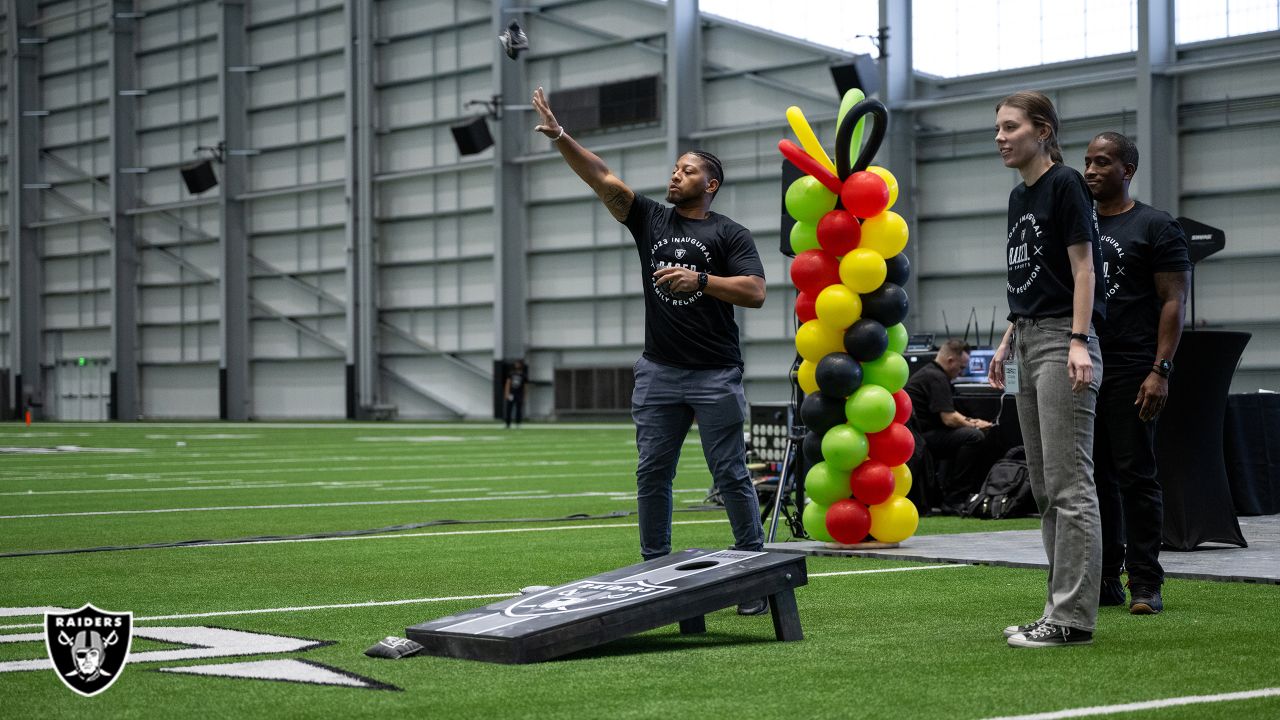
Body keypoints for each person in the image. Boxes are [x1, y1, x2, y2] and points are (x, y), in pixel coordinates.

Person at [531, 88, 770, 615]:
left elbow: (755, 292)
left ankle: (753, 573)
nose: (674, 176)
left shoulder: (729, 233)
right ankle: (654, 570)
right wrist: (561, 137)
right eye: (673, 170)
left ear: (710, 184)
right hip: (659, 372)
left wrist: (701, 280)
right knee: (652, 473)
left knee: (729, 472)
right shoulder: (651, 220)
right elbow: (602, 178)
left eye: (686, 171)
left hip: (715, 375)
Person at [988, 90, 1106, 648]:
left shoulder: (1065, 185)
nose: (1001, 137)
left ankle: (1073, 618)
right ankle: (1057, 607)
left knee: (1069, 484)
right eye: (998, 129)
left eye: (1011, 127)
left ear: (1043, 131)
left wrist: (1079, 341)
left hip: (1065, 340)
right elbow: (1034, 276)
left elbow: (1083, 270)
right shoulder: (1019, 196)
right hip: (1032, 337)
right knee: (1043, 486)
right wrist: (1010, 337)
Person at [1084, 131, 1190, 615]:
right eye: (1087, 161)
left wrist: (1160, 370)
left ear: (1127, 170)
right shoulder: (1078, 225)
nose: (1090, 170)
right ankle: (1105, 578)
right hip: (1085, 360)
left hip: (1133, 365)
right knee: (1095, 477)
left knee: (1135, 474)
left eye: (1102, 162)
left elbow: (1173, 301)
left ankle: (1146, 582)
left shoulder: (1155, 226)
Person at [903, 339, 996, 511]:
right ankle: (955, 498)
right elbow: (949, 418)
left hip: (920, 437)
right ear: (950, 361)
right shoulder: (936, 377)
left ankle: (950, 493)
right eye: (961, 368)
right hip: (921, 440)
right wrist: (975, 424)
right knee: (973, 437)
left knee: (964, 434)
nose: (960, 373)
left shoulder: (930, 373)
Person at [504, 360, 528, 428]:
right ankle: (508, 424)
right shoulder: (511, 374)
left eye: (518, 364)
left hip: (519, 394)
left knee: (518, 409)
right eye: (516, 364)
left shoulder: (523, 375)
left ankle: (518, 423)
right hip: (511, 394)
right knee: (509, 409)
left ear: (521, 365)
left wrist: (525, 396)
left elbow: (525, 387)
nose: (516, 365)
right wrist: (506, 393)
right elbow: (508, 383)